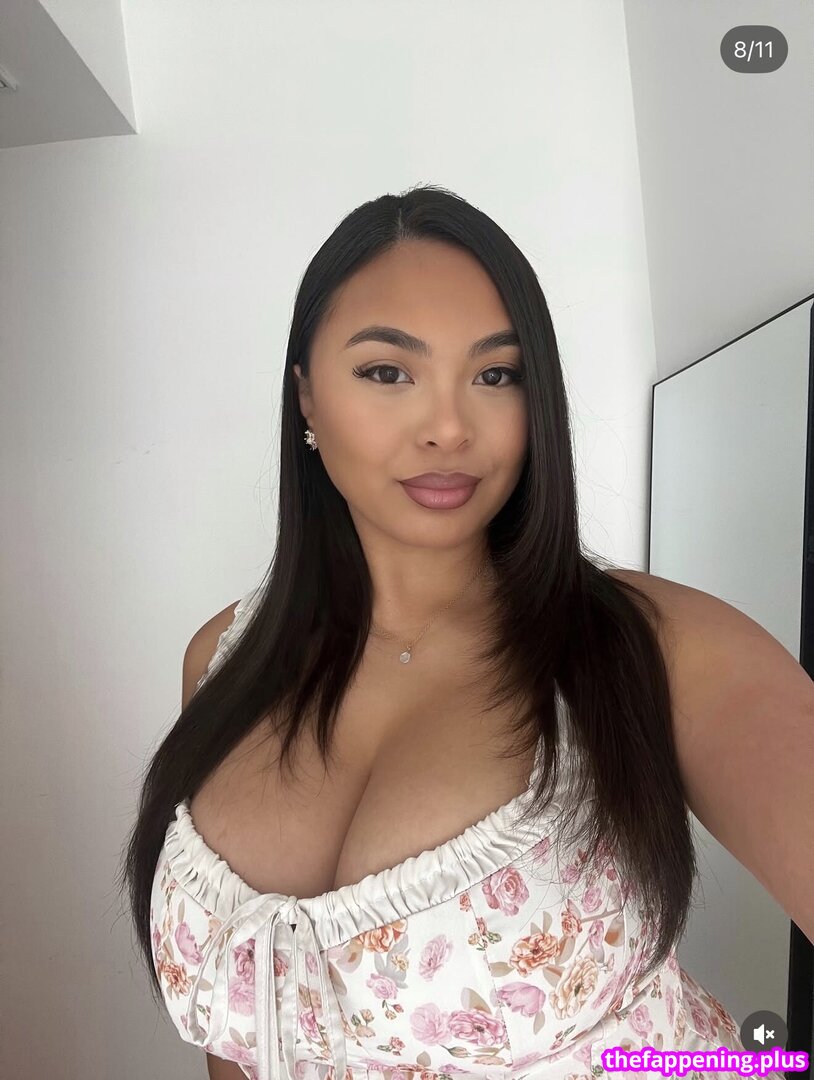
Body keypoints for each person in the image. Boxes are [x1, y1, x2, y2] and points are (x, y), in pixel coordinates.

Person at [121, 185, 804, 1080]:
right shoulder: (221, 660)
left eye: (496, 375)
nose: (448, 428)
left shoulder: (657, 648)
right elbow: (239, 1047)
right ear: (306, 398)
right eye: (386, 372)